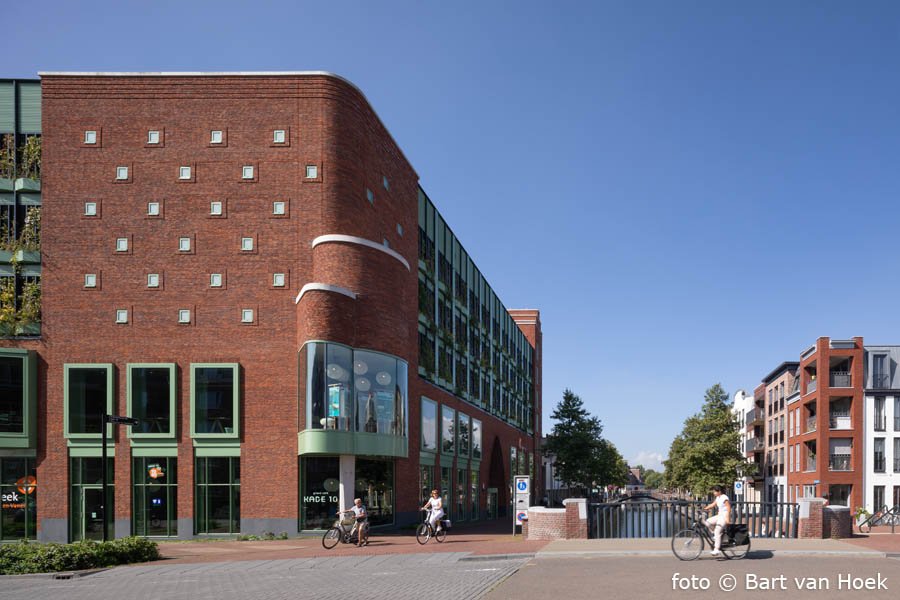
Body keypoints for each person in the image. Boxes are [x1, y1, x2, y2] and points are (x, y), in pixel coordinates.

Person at [703, 485, 731, 557]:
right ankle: (715, 534)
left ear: (719, 491)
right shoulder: (718, 498)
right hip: (719, 516)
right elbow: (713, 504)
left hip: (724, 516)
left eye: (715, 491)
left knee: (717, 531)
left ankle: (716, 549)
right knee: (707, 522)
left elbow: (728, 507)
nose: (713, 493)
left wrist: (727, 518)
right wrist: (705, 508)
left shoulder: (724, 497)